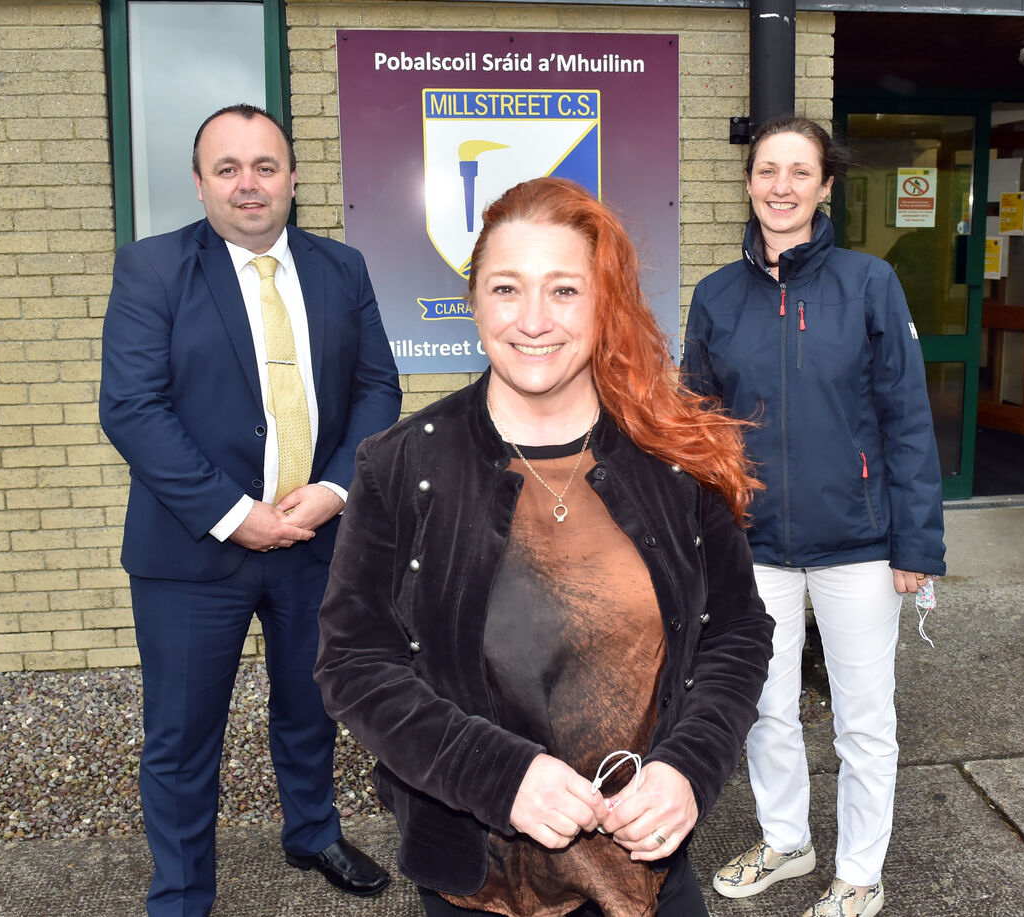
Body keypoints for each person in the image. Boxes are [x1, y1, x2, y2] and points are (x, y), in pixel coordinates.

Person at [313, 177, 775, 917]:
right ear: (474, 302)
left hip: (647, 876)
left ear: (604, 305)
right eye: (506, 288)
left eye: (564, 290)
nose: (532, 320)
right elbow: (354, 663)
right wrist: (500, 776)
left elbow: (738, 631)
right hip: (477, 884)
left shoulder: (675, 456)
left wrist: (689, 768)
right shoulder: (401, 465)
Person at [99, 103, 402, 916]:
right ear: (199, 184)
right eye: (227, 168)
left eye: (265, 165)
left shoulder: (342, 268)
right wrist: (237, 512)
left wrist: (334, 491)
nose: (248, 183)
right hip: (194, 554)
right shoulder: (152, 271)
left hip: (314, 541)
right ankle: (183, 892)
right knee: (183, 736)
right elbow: (130, 406)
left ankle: (311, 830)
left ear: (294, 178)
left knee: (310, 705)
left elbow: (378, 387)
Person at [682, 116, 947, 917]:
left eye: (800, 171)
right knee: (764, 705)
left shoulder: (869, 283)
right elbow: (699, 428)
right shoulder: (718, 296)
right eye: (769, 170)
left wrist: (916, 542)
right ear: (750, 182)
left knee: (864, 721)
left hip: (859, 545)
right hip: (754, 545)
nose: (782, 186)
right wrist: (703, 537)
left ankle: (859, 872)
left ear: (826, 185)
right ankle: (787, 840)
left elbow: (906, 417)